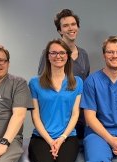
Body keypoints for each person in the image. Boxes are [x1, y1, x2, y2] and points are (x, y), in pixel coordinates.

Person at [28, 38, 83, 162]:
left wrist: (61, 138)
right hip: (41, 138)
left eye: (62, 52)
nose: (58, 56)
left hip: (67, 137)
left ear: (67, 56)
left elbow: (75, 114)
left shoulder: (77, 82)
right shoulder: (35, 83)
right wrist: (50, 140)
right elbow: (35, 117)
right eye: (53, 52)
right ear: (47, 56)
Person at [38, 8, 90, 139]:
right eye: (65, 25)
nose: (70, 28)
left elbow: (85, 84)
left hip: (79, 116)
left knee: (77, 155)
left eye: (73, 24)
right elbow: (42, 84)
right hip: (57, 118)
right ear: (60, 30)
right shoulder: (49, 54)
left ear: (77, 27)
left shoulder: (83, 54)